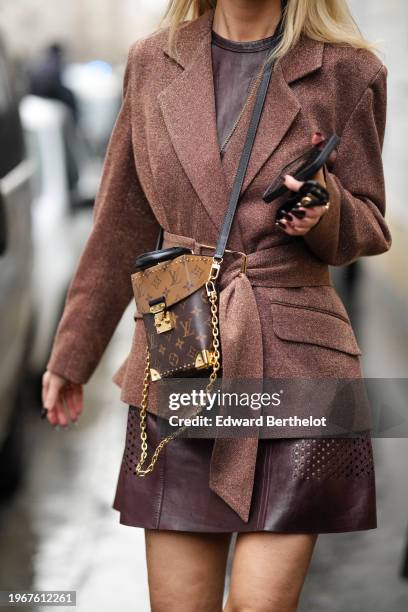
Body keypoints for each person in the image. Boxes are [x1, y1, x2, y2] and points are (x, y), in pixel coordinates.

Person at [41, 1, 392, 610]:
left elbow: (368, 226)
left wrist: (323, 207)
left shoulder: (347, 70)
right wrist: (72, 355)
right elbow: (120, 224)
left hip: (297, 365)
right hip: (183, 351)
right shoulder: (152, 63)